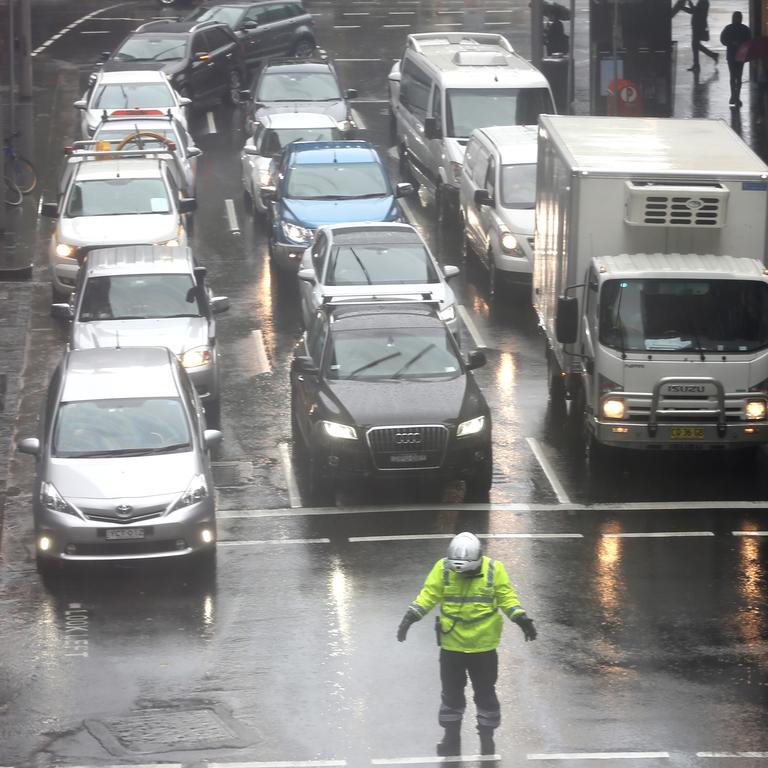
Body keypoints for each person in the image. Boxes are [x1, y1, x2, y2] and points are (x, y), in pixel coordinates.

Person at [396, 532, 537, 757]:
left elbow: (506, 598)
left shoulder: (494, 569)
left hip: (483, 647)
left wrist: (521, 618)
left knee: (485, 693)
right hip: (452, 647)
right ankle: (451, 737)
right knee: (451, 693)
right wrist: (410, 618)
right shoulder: (443, 568)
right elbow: (428, 596)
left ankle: (487, 737)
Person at [720, 11, 752, 106]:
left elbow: (722, 39)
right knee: (738, 77)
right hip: (741, 55)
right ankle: (737, 97)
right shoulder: (745, 29)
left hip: (731, 55)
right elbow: (749, 41)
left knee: (732, 76)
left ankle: (733, 96)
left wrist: (730, 43)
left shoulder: (728, 28)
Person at [682, 0, 719, 72]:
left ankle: (698, 64)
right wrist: (685, 7)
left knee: (695, 45)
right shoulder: (703, 2)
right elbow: (694, 11)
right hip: (697, 26)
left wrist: (686, 7)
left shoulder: (703, 2)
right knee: (696, 45)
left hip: (699, 27)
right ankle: (712, 56)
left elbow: (695, 12)